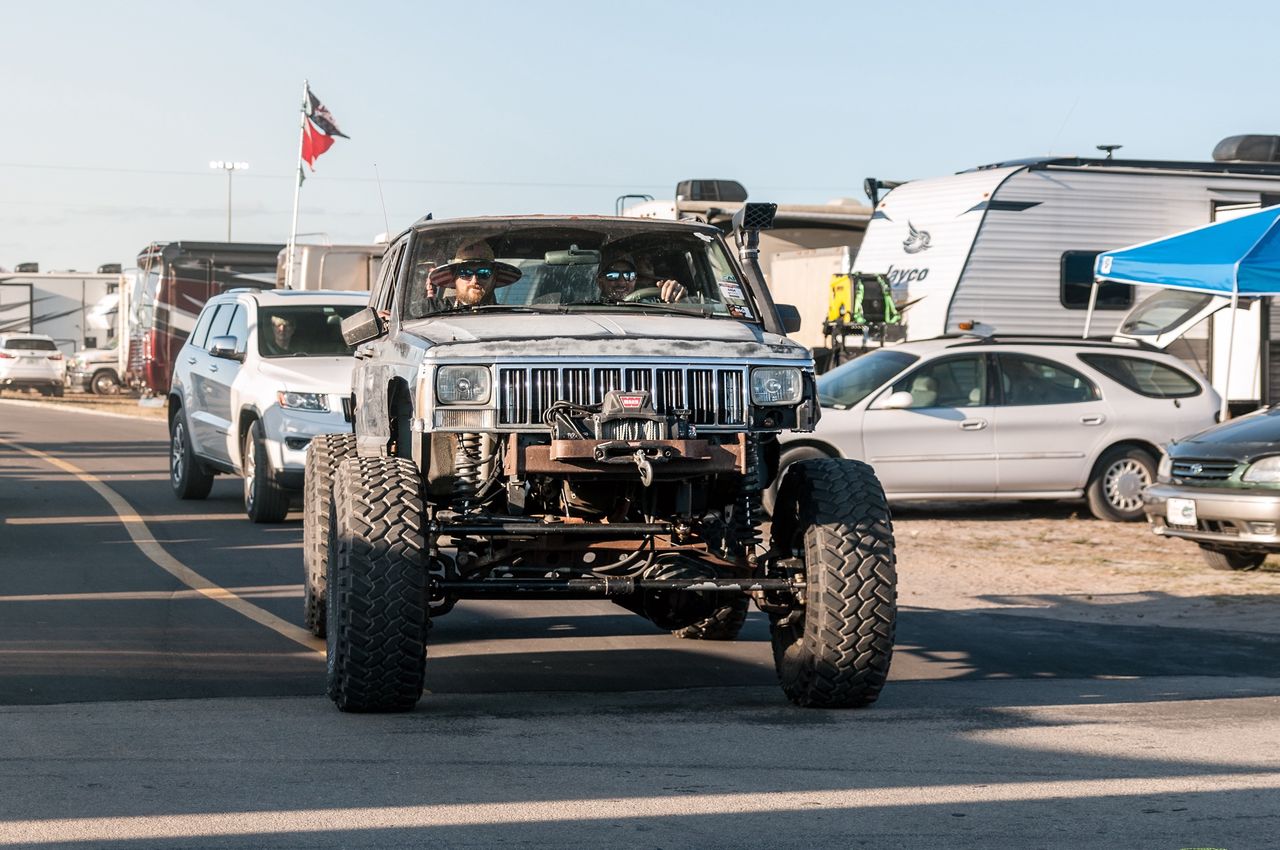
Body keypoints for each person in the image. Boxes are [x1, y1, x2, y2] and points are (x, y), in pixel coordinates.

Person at [424, 241, 522, 310]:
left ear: (494, 278)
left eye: (483, 273)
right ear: (455, 278)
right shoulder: (434, 311)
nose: (474, 280)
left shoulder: (507, 318)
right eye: (465, 273)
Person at [597, 258, 686, 303]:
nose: (622, 282)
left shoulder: (652, 304)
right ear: (600, 283)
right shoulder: (589, 307)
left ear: (635, 280)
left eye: (629, 275)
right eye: (613, 276)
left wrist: (677, 295)